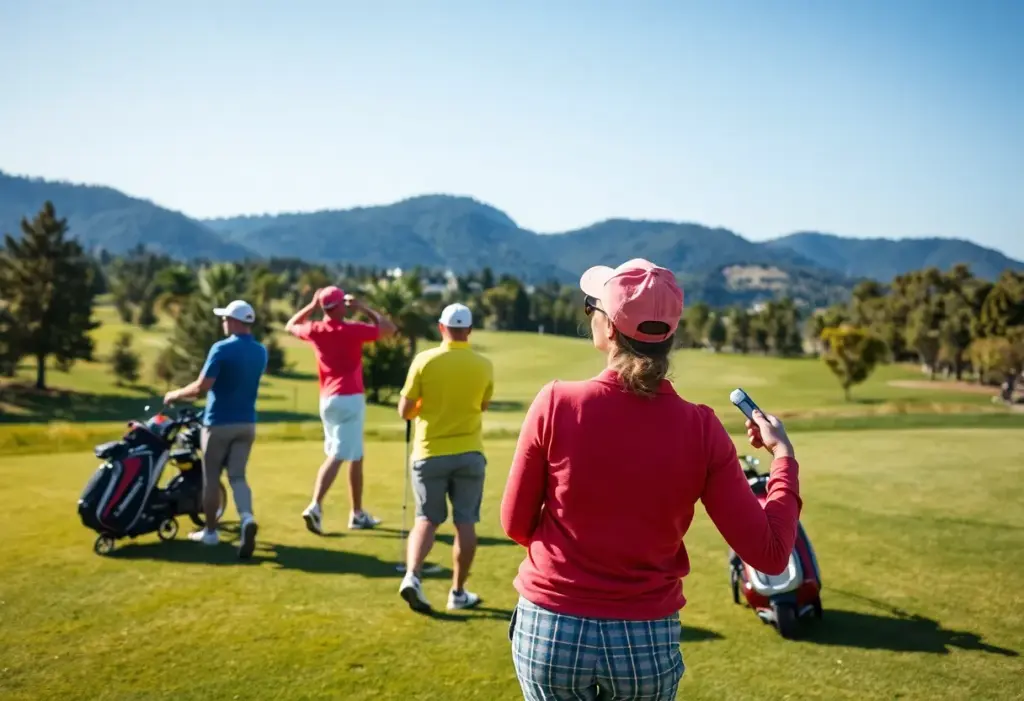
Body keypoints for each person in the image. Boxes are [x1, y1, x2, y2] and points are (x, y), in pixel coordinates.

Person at [500, 258, 803, 701]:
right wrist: (783, 455)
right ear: (669, 337)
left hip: (551, 631)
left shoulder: (555, 402)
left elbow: (516, 525)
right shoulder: (702, 428)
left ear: (607, 327)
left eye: (592, 307)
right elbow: (772, 555)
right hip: (644, 640)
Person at [395, 302, 494, 613]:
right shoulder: (483, 365)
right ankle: (458, 592)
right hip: (469, 454)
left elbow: (405, 411)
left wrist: (424, 404)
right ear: (469, 331)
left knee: (426, 519)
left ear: (441, 328)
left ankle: (413, 576)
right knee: (465, 523)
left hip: (429, 453)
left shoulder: (424, 361)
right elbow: (482, 406)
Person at [285, 285, 397, 533]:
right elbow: (389, 329)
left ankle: (357, 514)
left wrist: (311, 307)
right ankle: (314, 506)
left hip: (328, 400)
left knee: (355, 455)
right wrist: (363, 308)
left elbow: (291, 324)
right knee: (338, 455)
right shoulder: (352, 330)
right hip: (350, 399)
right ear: (340, 307)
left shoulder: (315, 329)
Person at [164, 299, 268, 560]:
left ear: (234, 322)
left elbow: (202, 387)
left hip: (218, 423)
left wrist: (174, 395)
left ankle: (210, 533)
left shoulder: (220, 349)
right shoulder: (261, 351)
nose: (222, 322)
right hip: (247, 423)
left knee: (211, 477)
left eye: (224, 318)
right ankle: (246, 519)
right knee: (238, 476)